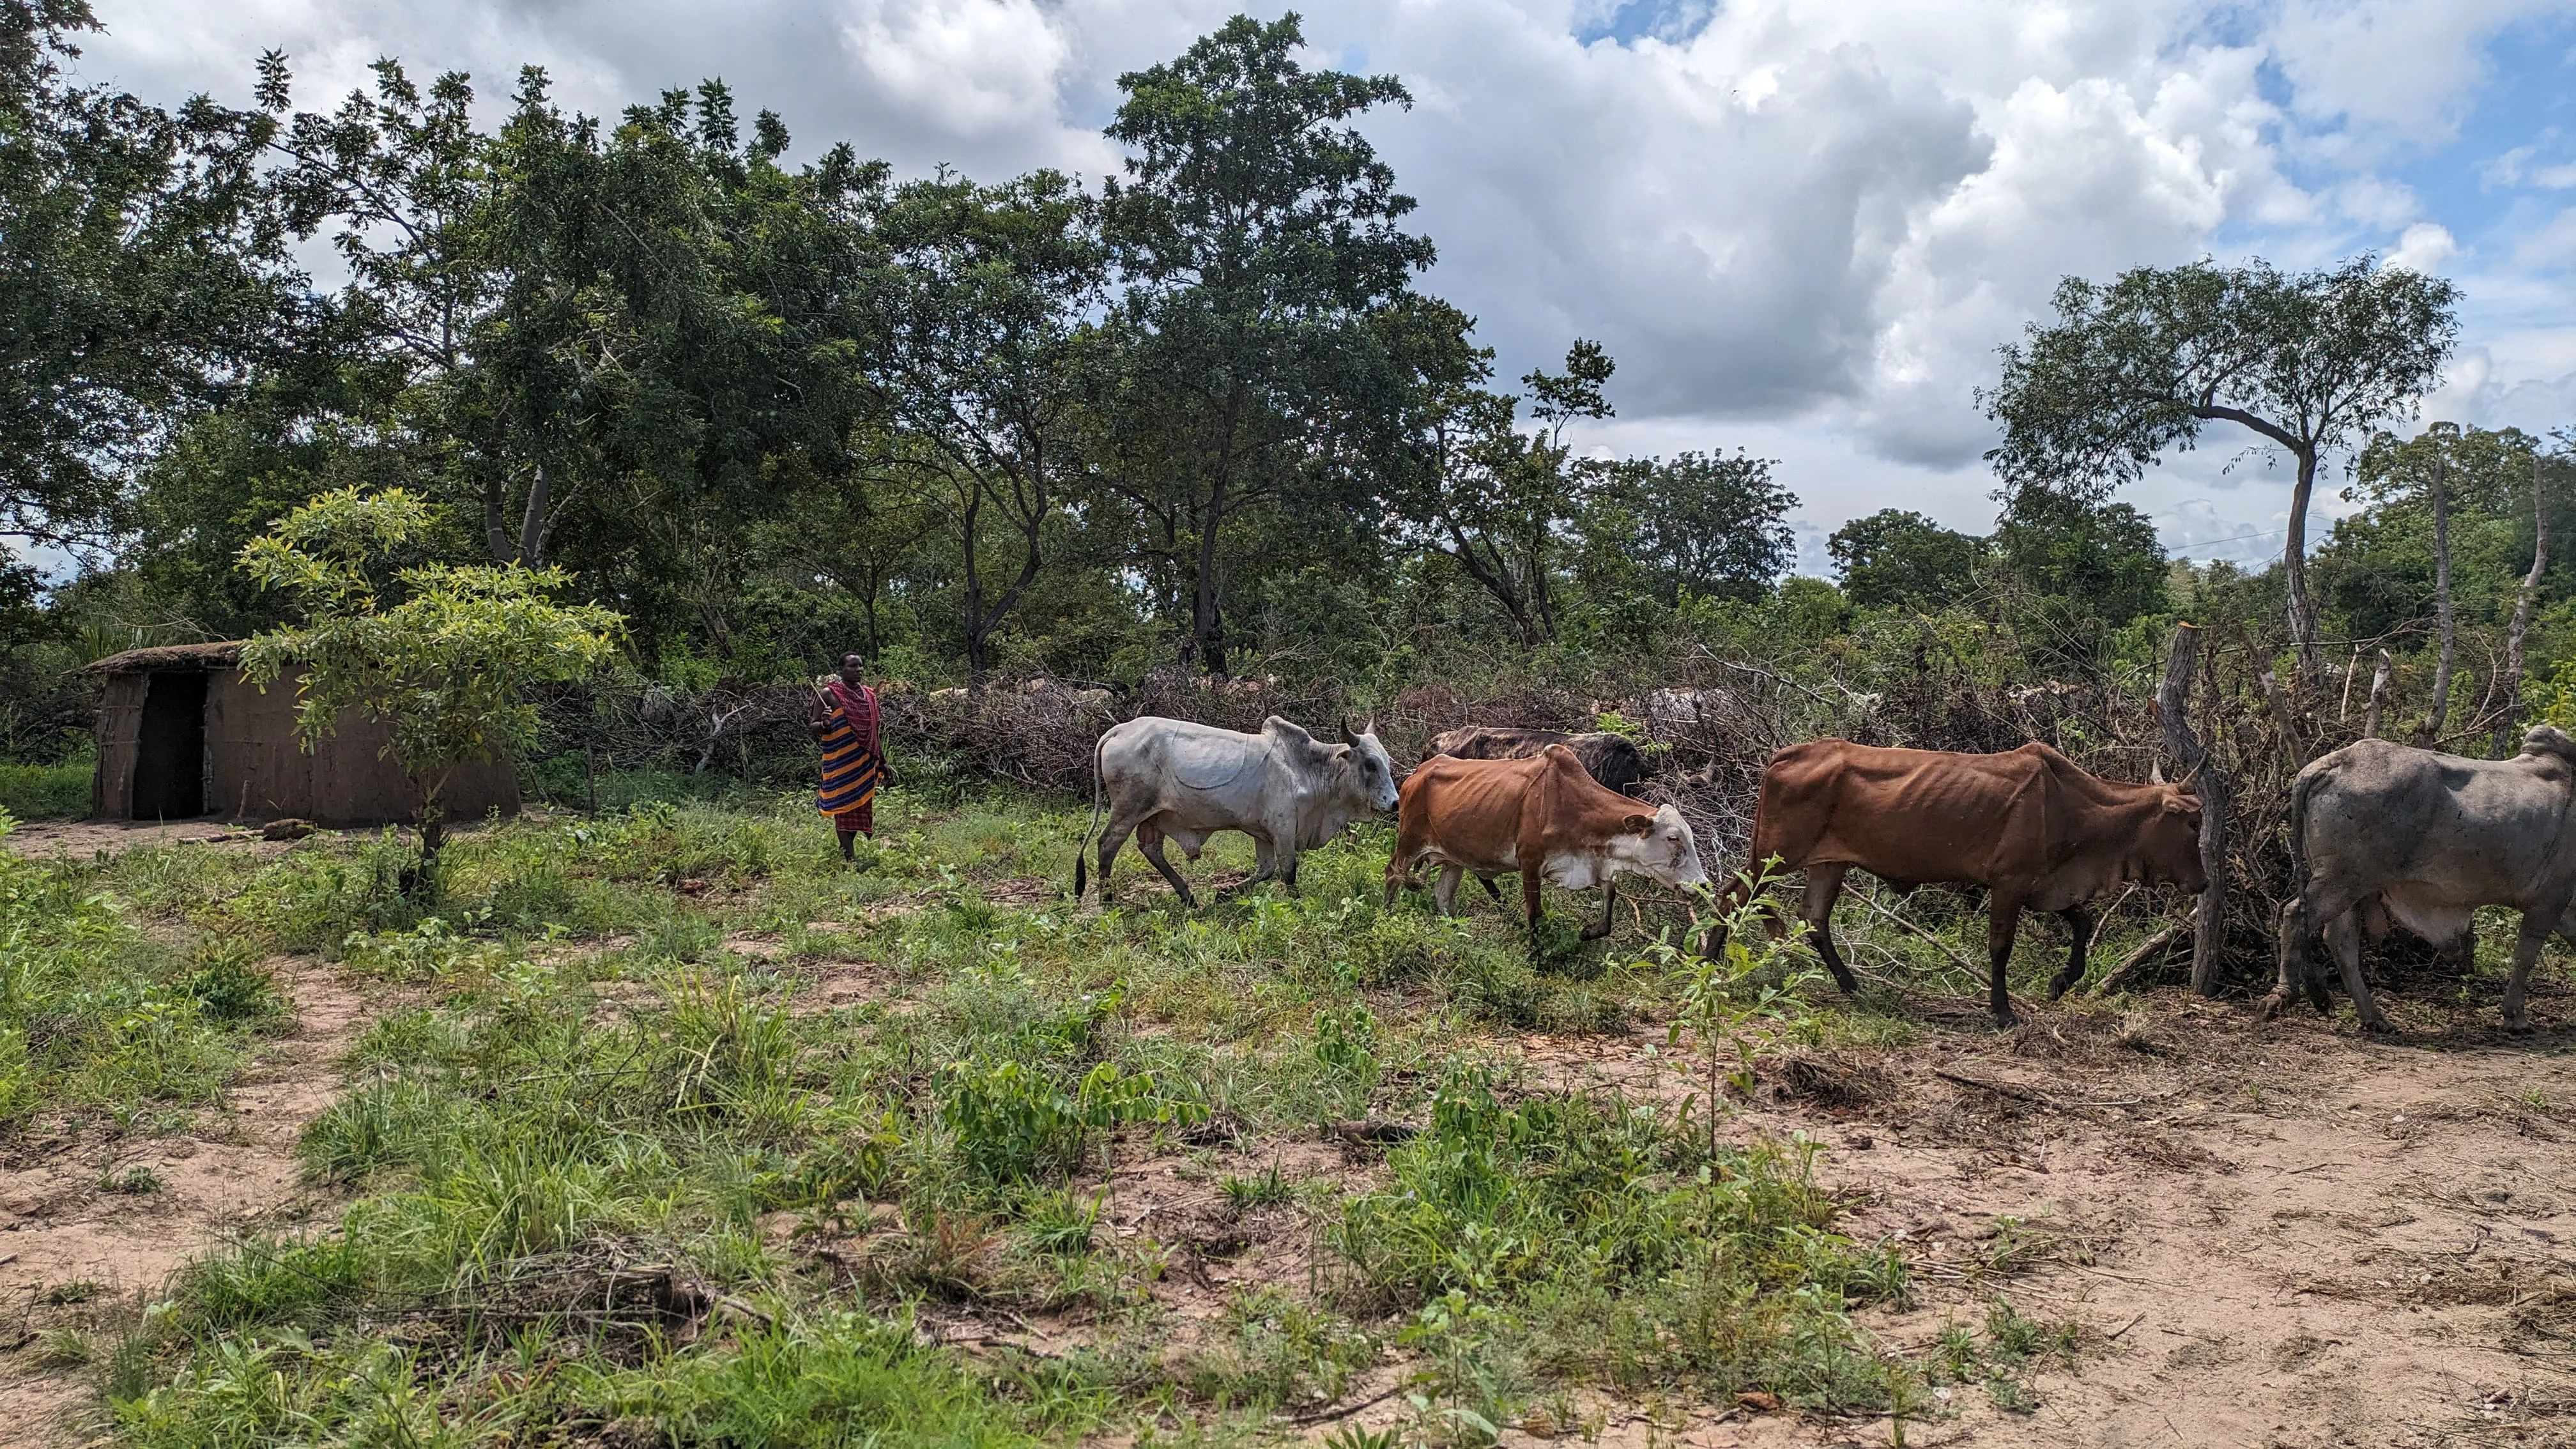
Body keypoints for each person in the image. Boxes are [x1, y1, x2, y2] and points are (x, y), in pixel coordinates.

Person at [809, 653, 891, 861]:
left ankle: (847, 850)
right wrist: (825, 724)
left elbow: (874, 732)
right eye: (853, 666)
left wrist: (882, 761)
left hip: (864, 765)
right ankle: (850, 859)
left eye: (860, 666)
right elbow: (814, 726)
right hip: (841, 764)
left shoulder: (869, 695)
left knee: (858, 810)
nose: (858, 670)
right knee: (844, 811)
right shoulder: (829, 694)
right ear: (841, 670)